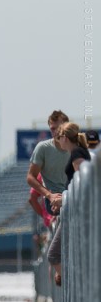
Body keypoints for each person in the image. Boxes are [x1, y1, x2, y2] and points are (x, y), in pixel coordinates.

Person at [27, 111, 72, 286]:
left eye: (58, 128)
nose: (55, 131)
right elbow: (30, 177)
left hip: (71, 196)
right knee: (54, 252)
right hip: (53, 200)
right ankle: (63, 270)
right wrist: (49, 195)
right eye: (52, 128)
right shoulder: (43, 148)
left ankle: (62, 268)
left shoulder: (75, 146)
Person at [49, 122, 92, 286]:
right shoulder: (78, 152)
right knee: (69, 255)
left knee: (54, 254)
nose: (57, 141)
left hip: (76, 212)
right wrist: (63, 199)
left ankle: (77, 290)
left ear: (65, 138)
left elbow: (83, 184)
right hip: (74, 209)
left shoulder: (77, 154)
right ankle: (76, 288)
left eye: (58, 137)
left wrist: (64, 200)